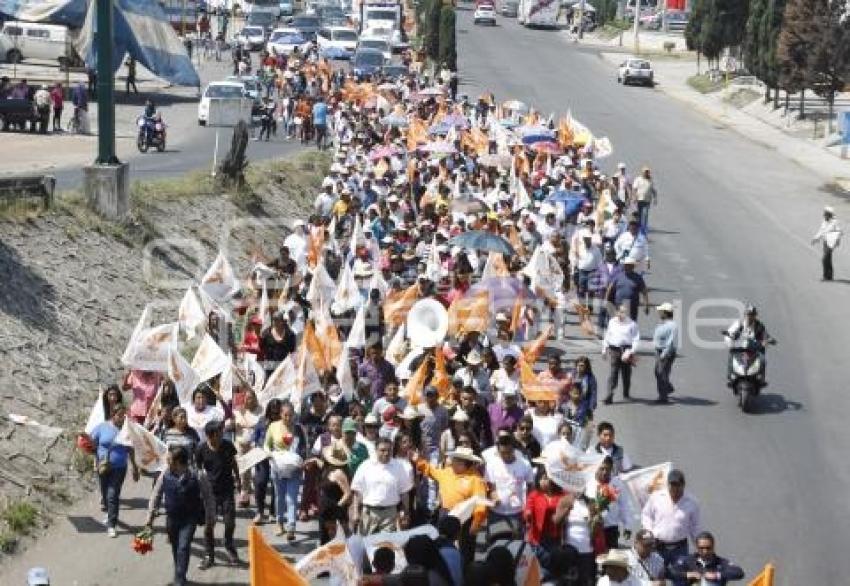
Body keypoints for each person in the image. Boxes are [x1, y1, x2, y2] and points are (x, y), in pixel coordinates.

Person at [145, 446, 209, 586]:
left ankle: (179, 580)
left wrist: (211, 518)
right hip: (172, 518)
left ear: (178, 461)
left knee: (183, 547)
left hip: (190, 518)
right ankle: (180, 574)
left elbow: (208, 497)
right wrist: (149, 517)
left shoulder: (197, 475)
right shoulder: (165, 474)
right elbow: (155, 495)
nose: (166, 460)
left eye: (169, 458)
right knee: (176, 548)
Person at [415, 446, 488, 564]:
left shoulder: (476, 479)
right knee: (443, 545)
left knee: (465, 549)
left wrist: (476, 522)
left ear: (465, 463)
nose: (452, 462)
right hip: (445, 514)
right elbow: (432, 471)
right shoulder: (447, 472)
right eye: (453, 459)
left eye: (456, 460)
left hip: (465, 518)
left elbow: (481, 503)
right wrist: (419, 461)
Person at [195, 420, 240, 568]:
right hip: (210, 493)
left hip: (227, 490)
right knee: (209, 525)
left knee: (230, 522)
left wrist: (238, 480)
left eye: (222, 432)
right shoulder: (201, 449)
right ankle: (209, 555)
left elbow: (234, 463)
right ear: (210, 436)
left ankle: (229, 545)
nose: (222, 435)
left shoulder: (228, 446)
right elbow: (198, 468)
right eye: (218, 433)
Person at [90, 405, 140, 537]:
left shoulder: (126, 430)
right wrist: (95, 459)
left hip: (119, 467)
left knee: (113, 494)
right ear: (113, 415)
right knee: (105, 493)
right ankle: (109, 512)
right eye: (120, 415)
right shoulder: (102, 427)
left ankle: (111, 525)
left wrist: (134, 466)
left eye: (124, 416)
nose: (122, 418)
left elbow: (130, 449)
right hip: (103, 466)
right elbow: (92, 443)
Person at [351, 437, 412, 534]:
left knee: (386, 546)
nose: (386, 453)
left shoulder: (399, 467)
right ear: (376, 450)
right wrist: (355, 512)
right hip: (369, 513)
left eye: (389, 450)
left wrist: (406, 512)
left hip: (390, 514)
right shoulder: (365, 466)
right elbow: (357, 491)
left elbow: (404, 493)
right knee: (366, 545)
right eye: (382, 450)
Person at [265, 400, 307, 541]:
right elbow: (266, 445)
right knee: (280, 497)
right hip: (277, 468)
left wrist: (300, 460)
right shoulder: (273, 427)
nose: (288, 419)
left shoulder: (298, 429)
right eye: (285, 415)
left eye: (291, 415)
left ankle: (291, 527)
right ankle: (279, 522)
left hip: (294, 469)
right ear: (281, 414)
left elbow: (303, 448)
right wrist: (270, 455)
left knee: (292, 498)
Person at [641, 469, 701, 570]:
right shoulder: (656, 497)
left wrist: (700, 547)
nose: (674, 488)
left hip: (680, 548)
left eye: (677, 485)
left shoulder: (692, 502)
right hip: (657, 547)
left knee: (681, 579)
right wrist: (649, 533)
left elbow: (695, 527)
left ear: (683, 485)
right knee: (655, 577)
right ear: (668, 484)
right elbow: (646, 515)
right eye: (672, 484)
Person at [484, 432, 534, 539]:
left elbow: (530, 488)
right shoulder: (492, 464)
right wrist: (494, 496)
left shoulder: (525, 464)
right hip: (496, 512)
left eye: (509, 452)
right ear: (498, 451)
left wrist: (528, 507)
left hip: (516, 512)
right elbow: (490, 486)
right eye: (503, 453)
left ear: (514, 450)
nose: (506, 455)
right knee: (494, 542)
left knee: (515, 544)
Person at [525, 465, 566, 573]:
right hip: (535, 539)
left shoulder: (561, 496)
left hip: (553, 540)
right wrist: (528, 514)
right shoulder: (534, 495)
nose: (544, 481)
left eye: (547, 478)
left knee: (548, 571)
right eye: (542, 478)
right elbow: (527, 510)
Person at [668, 531, 744, 586]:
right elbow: (668, 573)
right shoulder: (687, 561)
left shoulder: (721, 562)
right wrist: (687, 574)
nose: (705, 551)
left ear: (713, 546)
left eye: (708, 548)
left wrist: (716, 575)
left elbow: (739, 573)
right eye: (701, 548)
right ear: (696, 547)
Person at [723, 305, 775, 385]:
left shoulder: (759, 326)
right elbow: (731, 331)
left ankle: (761, 379)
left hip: (754, 348)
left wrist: (768, 340)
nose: (750, 317)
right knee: (732, 356)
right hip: (739, 347)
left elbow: (765, 335)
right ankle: (731, 376)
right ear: (745, 315)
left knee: (762, 359)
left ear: (755, 316)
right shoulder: (739, 323)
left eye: (752, 315)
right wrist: (729, 335)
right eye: (748, 314)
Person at [601, 304, 640, 404]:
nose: (622, 314)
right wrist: (604, 349)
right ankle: (609, 395)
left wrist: (631, 351)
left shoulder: (632, 324)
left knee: (626, 373)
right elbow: (607, 335)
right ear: (616, 312)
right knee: (613, 373)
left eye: (624, 312)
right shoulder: (612, 322)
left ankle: (626, 392)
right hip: (614, 350)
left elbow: (636, 339)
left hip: (626, 350)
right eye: (620, 312)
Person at [605, 258, 649, 322]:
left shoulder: (638, 278)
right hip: (619, 305)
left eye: (630, 265)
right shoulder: (618, 276)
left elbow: (644, 292)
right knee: (618, 323)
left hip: (632, 306)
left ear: (633, 266)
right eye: (626, 265)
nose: (628, 267)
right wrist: (607, 301)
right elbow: (610, 288)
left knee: (631, 323)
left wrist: (646, 305)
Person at [652, 302, 678, 404]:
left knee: (661, 373)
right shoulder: (663, 323)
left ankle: (663, 397)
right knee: (658, 372)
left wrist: (664, 354)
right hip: (659, 351)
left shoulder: (672, 325)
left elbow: (671, 342)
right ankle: (667, 387)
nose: (659, 313)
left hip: (665, 352)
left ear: (666, 313)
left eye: (661, 311)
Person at [810, 205, 842, 281]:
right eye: (824, 214)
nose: (824, 215)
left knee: (824, 259)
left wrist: (837, 241)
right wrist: (815, 238)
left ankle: (825, 276)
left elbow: (839, 232)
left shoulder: (834, 222)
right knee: (828, 259)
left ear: (829, 214)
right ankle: (829, 276)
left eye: (826, 214)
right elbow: (821, 231)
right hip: (825, 242)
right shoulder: (824, 222)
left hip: (831, 243)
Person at [632, 167, 657, 232]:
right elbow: (634, 189)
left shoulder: (650, 180)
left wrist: (655, 198)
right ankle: (639, 226)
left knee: (645, 214)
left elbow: (653, 190)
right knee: (639, 214)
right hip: (639, 200)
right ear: (642, 172)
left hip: (647, 200)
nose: (646, 173)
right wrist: (634, 197)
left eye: (647, 172)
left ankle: (644, 228)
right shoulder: (638, 179)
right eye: (645, 172)